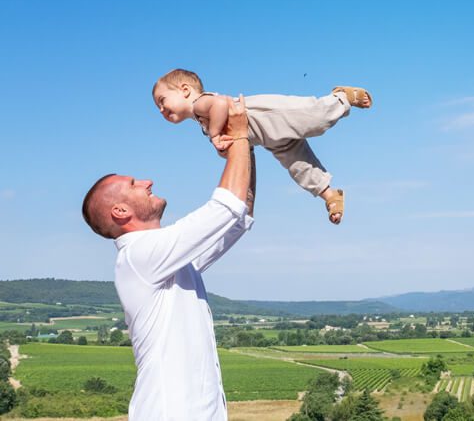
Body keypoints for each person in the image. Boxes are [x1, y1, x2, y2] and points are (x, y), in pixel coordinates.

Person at [82, 95, 254, 420]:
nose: (148, 181)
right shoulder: (140, 256)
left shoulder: (166, 259)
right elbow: (225, 207)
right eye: (134, 184)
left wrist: (247, 145)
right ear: (120, 211)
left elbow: (237, 214)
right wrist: (241, 135)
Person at [151, 68, 372, 224]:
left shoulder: (200, 104)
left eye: (163, 101)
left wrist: (215, 135)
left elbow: (219, 103)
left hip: (264, 116)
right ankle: (330, 195)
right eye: (157, 107)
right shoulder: (200, 119)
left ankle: (341, 98)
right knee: (299, 165)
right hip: (266, 137)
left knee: (315, 118)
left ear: (185, 90)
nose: (161, 110)